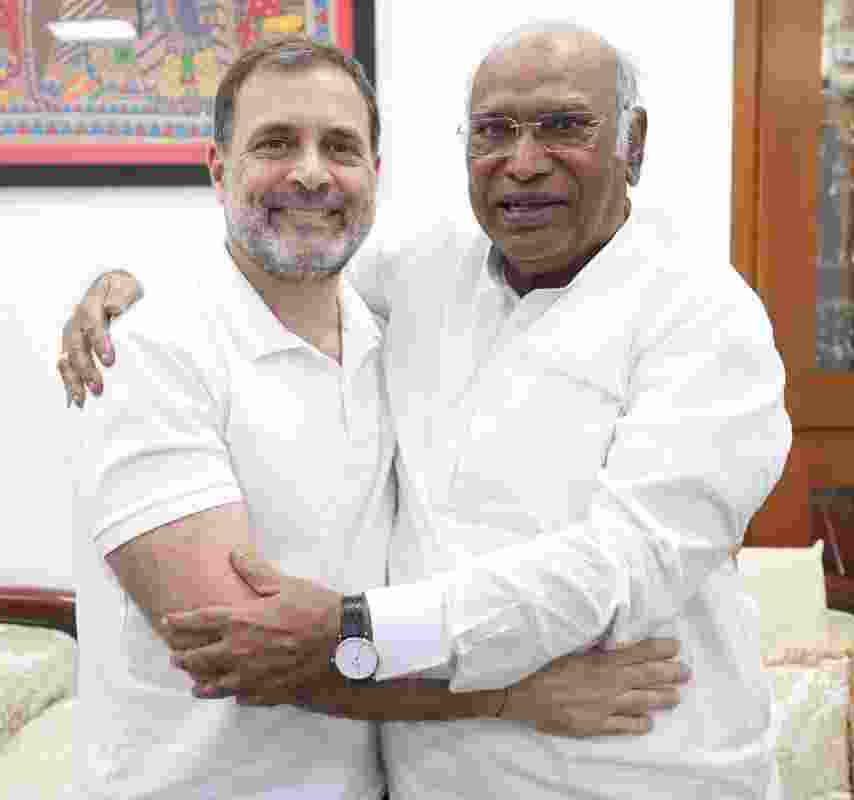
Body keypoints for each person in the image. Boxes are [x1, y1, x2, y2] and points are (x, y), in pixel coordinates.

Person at [63, 22, 792, 799]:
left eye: (563, 126)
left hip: (634, 774)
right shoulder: (426, 274)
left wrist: (364, 632)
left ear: (632, 143)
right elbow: (286, 249)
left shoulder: (707, 320)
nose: (522, 160)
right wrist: (126, 287)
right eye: (493, 131)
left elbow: (619, 565)